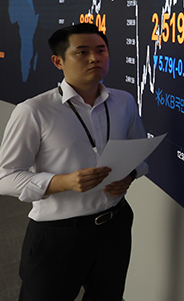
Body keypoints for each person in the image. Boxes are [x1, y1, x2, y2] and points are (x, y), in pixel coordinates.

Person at [0, 23, 148, 301]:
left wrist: (129, 177)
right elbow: (5, 177)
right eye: (82, 52)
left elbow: (139, 154)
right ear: (58, 61)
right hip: (58, 234)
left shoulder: (124, 102)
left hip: (114, 225)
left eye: (101, 50)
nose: (94, 58)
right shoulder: (34, 111)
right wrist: (63, 182)